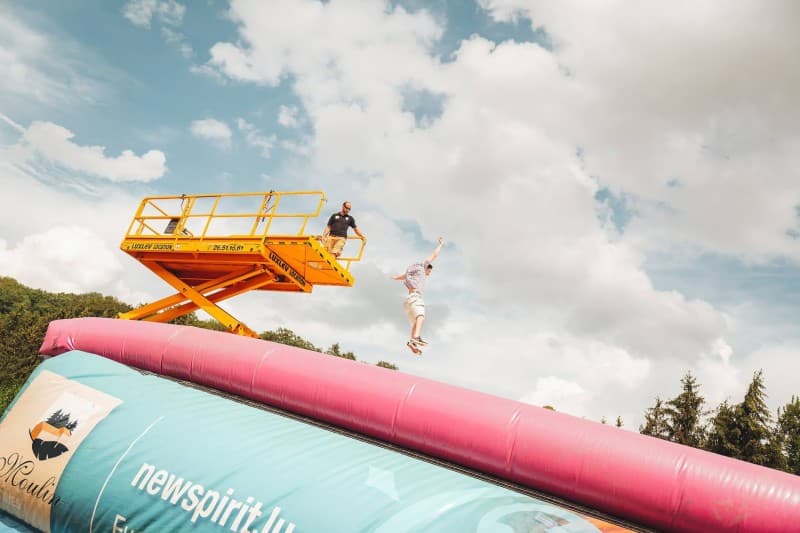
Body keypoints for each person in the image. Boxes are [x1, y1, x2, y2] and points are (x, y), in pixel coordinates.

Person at [392, 237, 444, 354]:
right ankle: (415, 338)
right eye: (429, 272)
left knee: (416, 322)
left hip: (408, 302)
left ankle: (412, 342)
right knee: (420, 317)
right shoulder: (423, 266)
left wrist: (395, 277)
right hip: (415, 297)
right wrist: (441, 245)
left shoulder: (411, 272)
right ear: (427, 268)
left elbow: (403, 276)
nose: (428, 274)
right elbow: (434, 255)